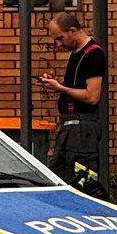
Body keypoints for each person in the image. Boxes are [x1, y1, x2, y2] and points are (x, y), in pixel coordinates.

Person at [37, 11, 107, 195]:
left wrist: (61, 88)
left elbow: (92, 96)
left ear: (73, 30)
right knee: (60, 176)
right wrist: (57, 84)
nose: (59, 44)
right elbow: (76, 89)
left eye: (60, 38)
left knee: (81, 180)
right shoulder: (77, 53)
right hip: (72, 124)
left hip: (82, 127)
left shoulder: (94, 54)